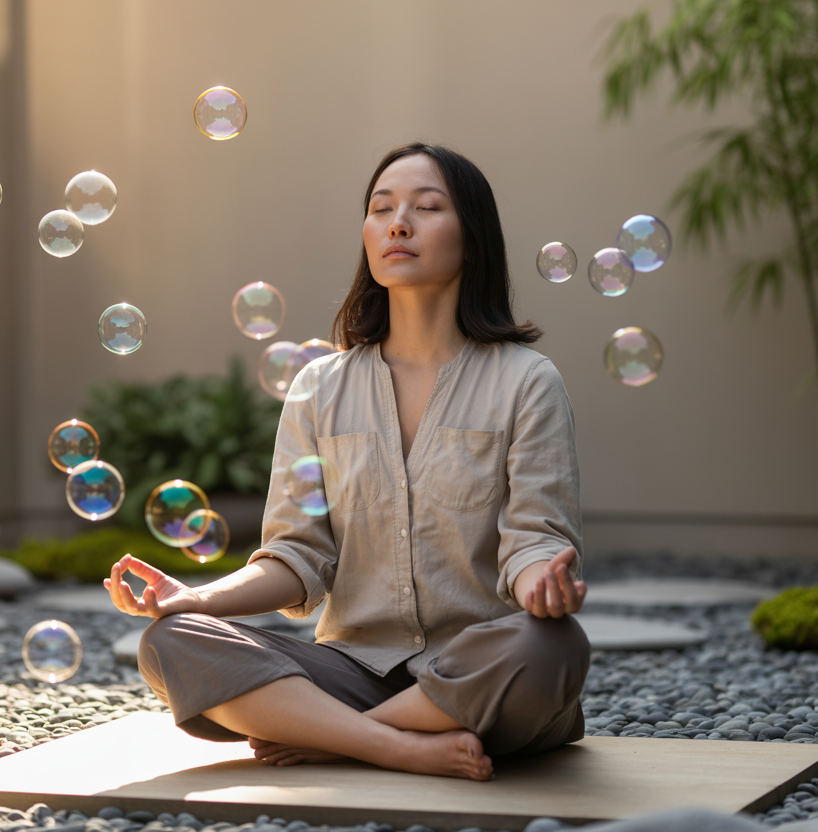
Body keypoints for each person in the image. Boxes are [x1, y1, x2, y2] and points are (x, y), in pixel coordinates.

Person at [105, 142, 590, 782]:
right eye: (381, 208)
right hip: (350, 672)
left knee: (553, 646)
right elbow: (296, 557)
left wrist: (541, 588)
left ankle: (329, 736)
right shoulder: (317, 388)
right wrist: (196, 597)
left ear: (472, 238)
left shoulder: (528, 381)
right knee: (169, 642)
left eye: (427, 206)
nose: (398, 223)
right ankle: (395, 745)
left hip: (477, 667)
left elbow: (533, 540)